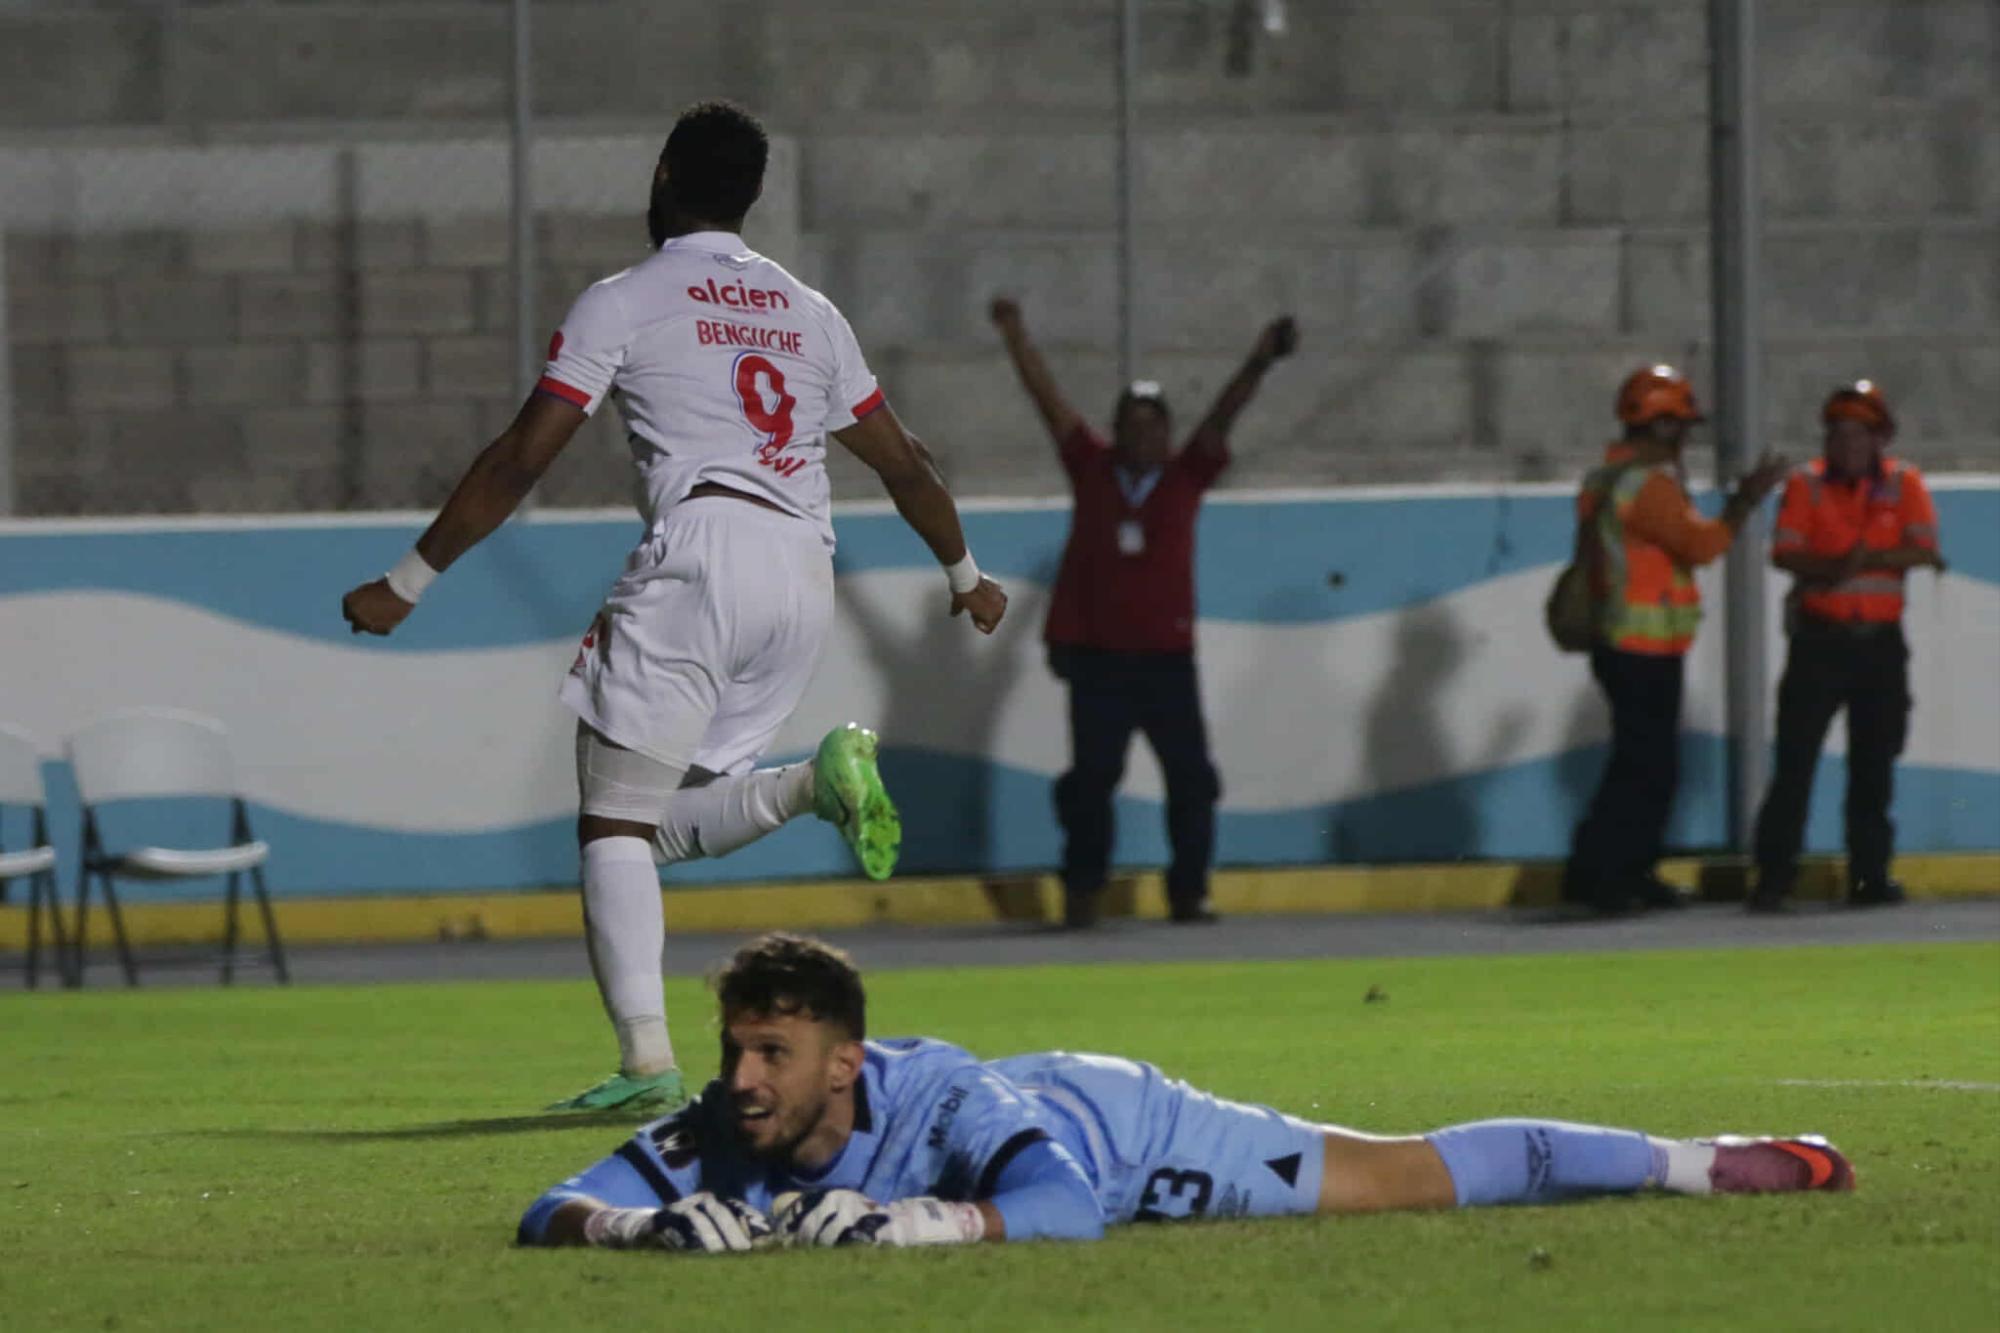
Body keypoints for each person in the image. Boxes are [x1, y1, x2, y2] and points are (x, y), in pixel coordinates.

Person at [340, 101, 1008, 1117]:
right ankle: (804, 788)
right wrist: (963, 575)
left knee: (610, 824)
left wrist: (409, 577)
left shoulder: (626, 299)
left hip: (702, 553)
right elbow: (904, 460)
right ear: (750, 195)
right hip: (799, 570)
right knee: (653, 827)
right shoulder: (808, 311)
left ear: (660, 176)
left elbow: (523, 453)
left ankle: (646, 1057)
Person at [516, 931, 1854, 1253]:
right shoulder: (720, 1118)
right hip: (1041, 1135)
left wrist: (931, 1223)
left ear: (844, 1064)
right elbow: (551, 1205)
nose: (742, 1079)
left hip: (1113, 1127)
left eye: (771, 1056)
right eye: (738, 1048)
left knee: (1396, 1176)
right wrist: (629, 1228)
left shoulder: (952, 1103)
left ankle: (1693, 1160)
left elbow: (1059, 1203)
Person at [989, 297, 1297, 928]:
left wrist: (1260, 361)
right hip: (1099, 660)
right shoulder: (1092, 468)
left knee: (1192, 781)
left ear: (1167, 432)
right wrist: (1016, 336)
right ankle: (1083, 891)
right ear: (1117, 429)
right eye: (1132, 423)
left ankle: (1189, 891)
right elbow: (1047, 402)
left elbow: (1223, 416)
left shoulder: (1187, 476)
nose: (1144, 436)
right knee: (1091, 783)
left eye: (1154, 425)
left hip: (1166, 662)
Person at [1562, 365, 1787, 916]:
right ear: (1660, 427)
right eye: (1680, 425)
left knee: (1639, 763)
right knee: (1645, 767)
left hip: (1624, 641)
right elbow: (1701, 544)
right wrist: (1744, 502)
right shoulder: (1649, 486)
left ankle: (1620, 871)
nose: (1687, 436)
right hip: (1643, 644)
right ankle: (1610, 876)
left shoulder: (1605, 480)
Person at [1749, 381, 1946, 914]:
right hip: (1820, 641)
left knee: (1874, 764)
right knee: (1795, 763)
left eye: (1859, 434)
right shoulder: (1807, 485)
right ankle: (1774, 877)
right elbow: (1786, 553)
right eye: (1839, 434)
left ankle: (1869, 877)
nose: (1847, 444)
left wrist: (1861, 560)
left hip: (1879, 645)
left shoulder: (1904, 482)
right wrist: (1841, 567)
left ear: (1880, 437)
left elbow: (1923, 549)